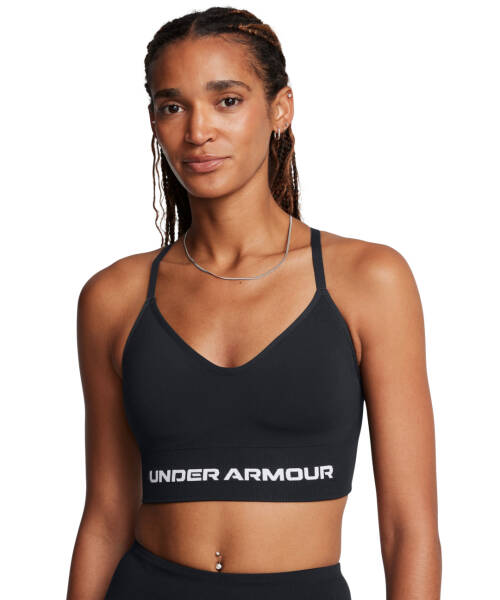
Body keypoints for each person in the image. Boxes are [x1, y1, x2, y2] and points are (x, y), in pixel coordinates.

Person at [66, 7, 441, 599]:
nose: (198, 131)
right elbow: (107, 517)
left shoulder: (369, 281)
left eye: (228, 101)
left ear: (280, 109)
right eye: (173, 106)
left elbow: (407, 530)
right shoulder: (114, 297)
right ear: (154, 121)